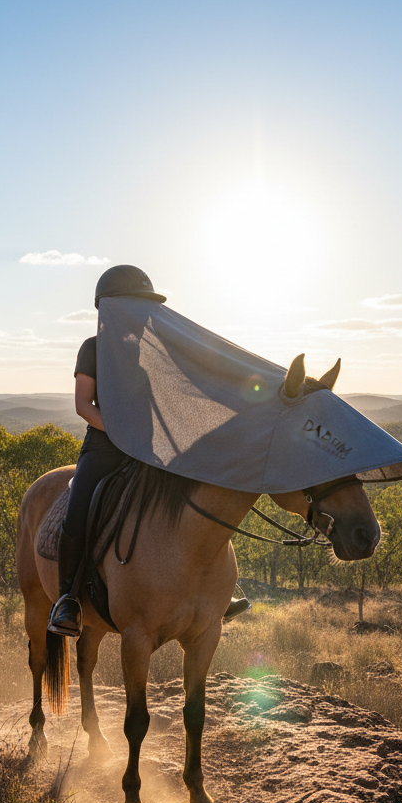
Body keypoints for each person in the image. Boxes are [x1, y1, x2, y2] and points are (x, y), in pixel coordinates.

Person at [47, 264, 250, 638]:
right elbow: (83, 406)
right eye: (134, 307)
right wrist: (124, 434)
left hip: (151, 449)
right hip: (105, 449)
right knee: (78, 510)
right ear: (111, 309)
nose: (141, 316)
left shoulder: (153, 353)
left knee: (200, 498)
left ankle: (218, 591)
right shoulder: (93, 349)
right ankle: (68, 600)